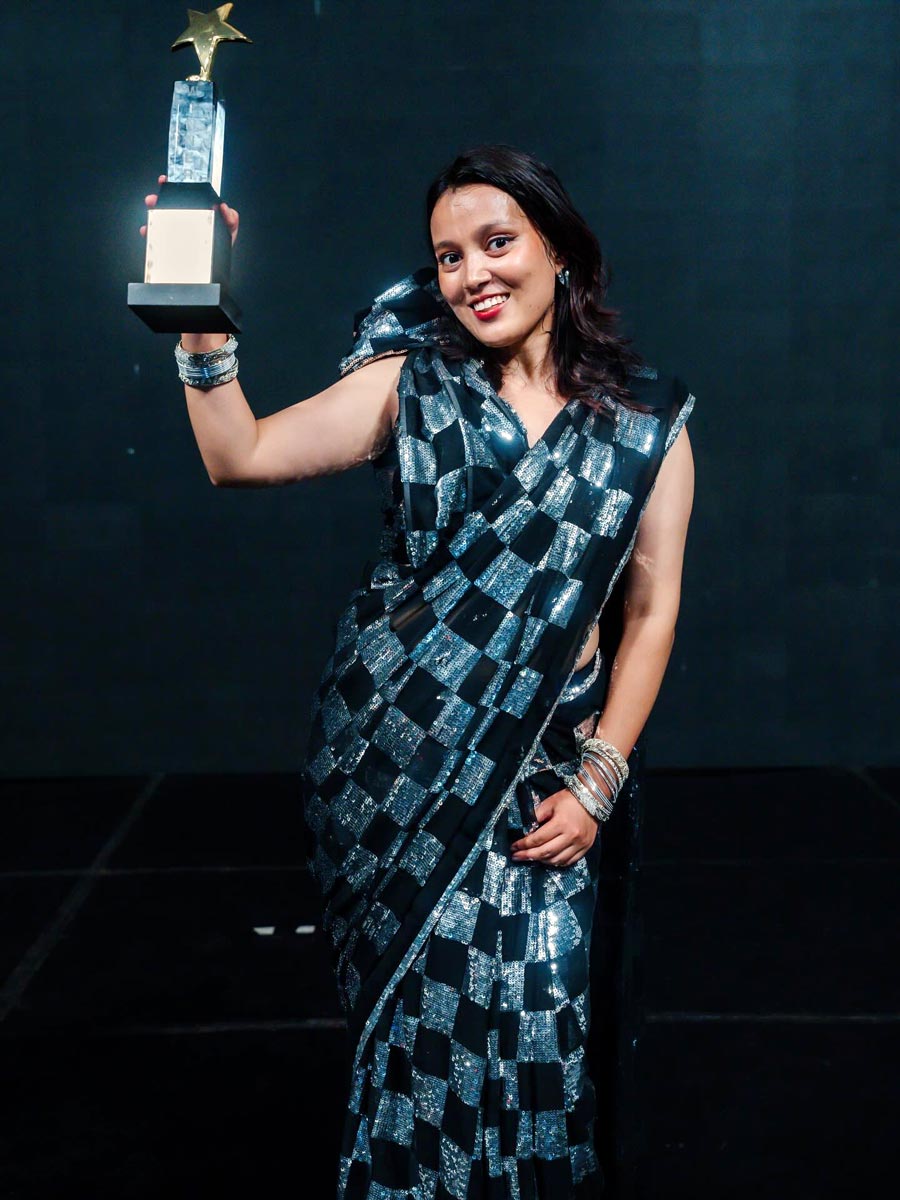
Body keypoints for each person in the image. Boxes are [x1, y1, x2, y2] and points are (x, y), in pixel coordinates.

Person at [144, 144, 694, 1198]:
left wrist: (601, 776)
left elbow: (653, 609)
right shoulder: (413, 386)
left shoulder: (643, 426)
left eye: (497, 243)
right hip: (394, 772)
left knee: (542, 1018)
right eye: (448, 257)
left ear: (562, 254)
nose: (472, 274)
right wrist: (199, 322)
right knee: (419, 1033)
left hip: (545, 782)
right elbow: (240, 455)